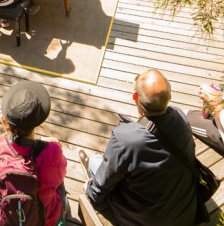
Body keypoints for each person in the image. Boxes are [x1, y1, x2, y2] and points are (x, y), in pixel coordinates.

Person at [84, 69, 197, 226]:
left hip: (145, 220)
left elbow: (102, 184)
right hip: (184, 212)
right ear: (170, 97)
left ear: (135, 97)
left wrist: (90, 191)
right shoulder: (180, 117)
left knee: (94, 162)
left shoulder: (125, 138)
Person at [0, 81, 68, 226]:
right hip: (41, 220)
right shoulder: (51, 151)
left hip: (0, 216)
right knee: (60, 188)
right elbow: (60, 175)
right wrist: (48, 142)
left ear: (6, 121)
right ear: (38, 123)